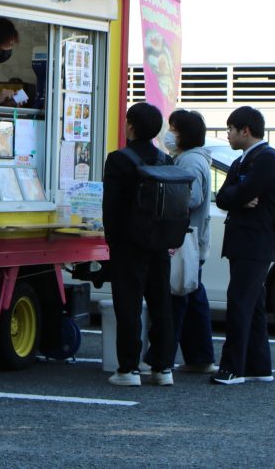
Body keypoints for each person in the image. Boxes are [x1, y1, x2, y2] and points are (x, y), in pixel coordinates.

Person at [102, 102, 175, 387]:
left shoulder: (118, 160)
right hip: (160, 242)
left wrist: (112, 240)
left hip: (128, 244)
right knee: (161, 303)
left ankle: (129, 369)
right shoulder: (165, 160)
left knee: (128, 305)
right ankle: (163, 367)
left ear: (130, 126)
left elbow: (111, 207)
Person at [212, 106, 275, 385]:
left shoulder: (267, 158)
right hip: (245, 241)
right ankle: (258, 366)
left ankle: (232, 368)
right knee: (252, 305)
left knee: (240, 303)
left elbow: (240, 192)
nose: (228, 134)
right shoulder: (242, 160)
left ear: (245, 131)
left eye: (230, 129)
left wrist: (238, 196)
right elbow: (223, 197)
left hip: (255, 242)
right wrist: (239, 197)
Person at [162, 109, 217, 374]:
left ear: (184, 134)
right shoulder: (191, 158)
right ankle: (200, 358)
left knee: (181, 298)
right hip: (193, 241)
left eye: (173, 129)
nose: (169, 134)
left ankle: (166, 358)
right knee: (193, 299)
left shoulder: (190, 161)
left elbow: (191, 198)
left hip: (186, 241)